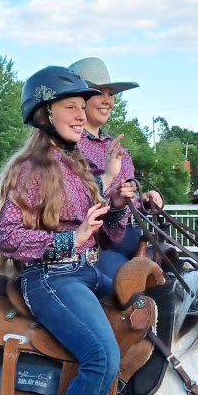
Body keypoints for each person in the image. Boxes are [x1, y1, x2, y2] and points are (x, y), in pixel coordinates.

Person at [0, 66, 135, 395]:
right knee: (102, 358)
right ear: (44, 113)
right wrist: (64, 242)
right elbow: (7, 236)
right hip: (51, 279)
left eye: (82, 107)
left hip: (89, 272)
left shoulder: (77, 164)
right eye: (71, 107)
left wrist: (113, 207)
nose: (80, 115)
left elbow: (109, 236)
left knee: (161, 315)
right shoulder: (30, 169)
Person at [67, 57, 164, 279]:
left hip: (137, 234)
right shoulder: (69, 148)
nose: (107, 100)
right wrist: (111, 190)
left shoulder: (117, 147)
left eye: (110, 94)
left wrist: (145, 199)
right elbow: (74, 204)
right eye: (99, 92)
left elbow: (130, 196)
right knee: (119, 291)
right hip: (102, 245)